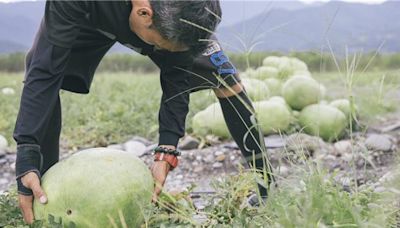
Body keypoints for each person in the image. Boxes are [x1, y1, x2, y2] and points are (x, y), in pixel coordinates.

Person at [14, 0, 274, 224]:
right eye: (166, 47)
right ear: (143, 13)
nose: (169, 55)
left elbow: (178, 73)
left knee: (225, 76)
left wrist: (167, 149)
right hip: (92, 13)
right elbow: (44, 72)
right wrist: (26, 153)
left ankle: (267, 185)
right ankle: (43, 194)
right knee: (44, 66)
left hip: (170, 14)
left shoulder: (179, 16)